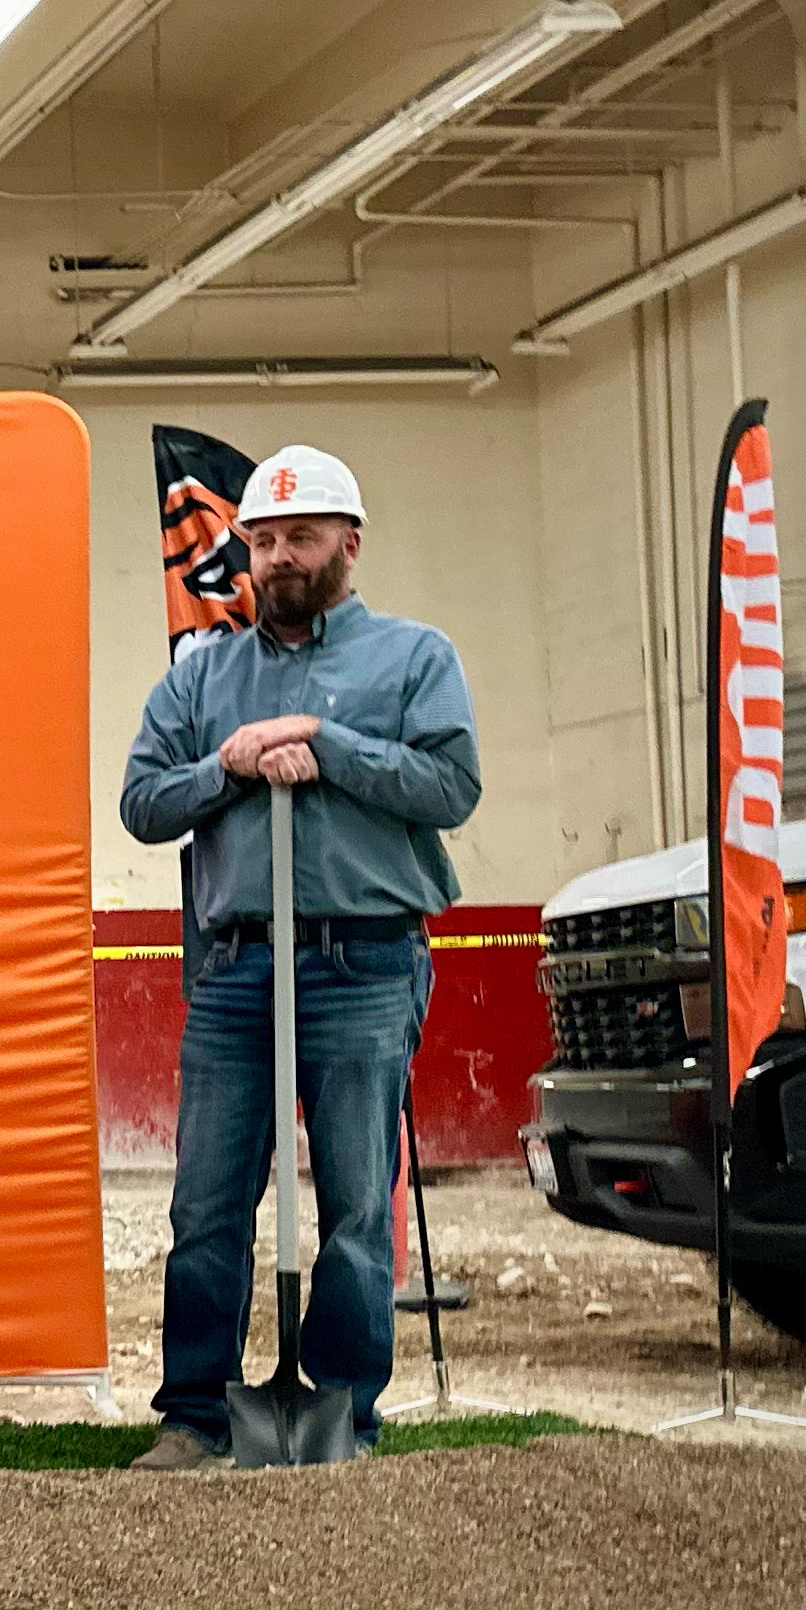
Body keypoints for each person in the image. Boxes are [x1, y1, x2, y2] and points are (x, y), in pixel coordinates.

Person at [120, 445, 476, 1469]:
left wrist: (330, 743)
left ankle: (343, 1415)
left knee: (357, 1205)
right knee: (206, 1204)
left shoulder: (414, 659)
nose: (278, 558)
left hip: (363, 966)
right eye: (263, 541)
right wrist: (229, 766)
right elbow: (143, 804)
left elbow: (451, 788)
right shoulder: (204, 679)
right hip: (234, 973)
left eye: (300, 538)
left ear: (348, 545)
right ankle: (195, 1414)